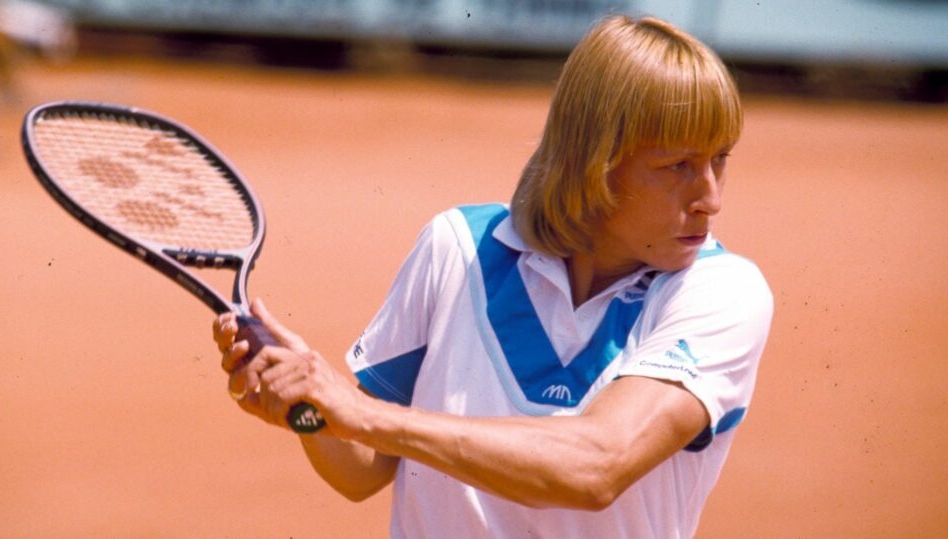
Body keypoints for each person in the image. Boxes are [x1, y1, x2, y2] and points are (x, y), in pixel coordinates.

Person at [214, 14, 773, 538]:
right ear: (597, 162)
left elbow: (597, 465)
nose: (711, 198)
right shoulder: (456, 249)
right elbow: (363, 469)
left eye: (719, 160)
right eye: (678, 166)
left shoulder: (720, 293)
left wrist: (362, 413)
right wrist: (306, 407)